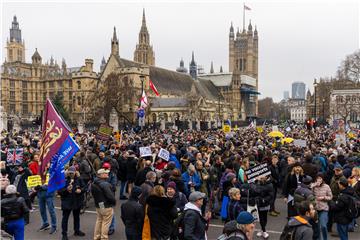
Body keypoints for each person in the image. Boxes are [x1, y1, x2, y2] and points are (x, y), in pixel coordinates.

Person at [57, 166, 86, 240]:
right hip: (67, 201)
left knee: (77, 217)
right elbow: (59, 191)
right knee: (65, 218)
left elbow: (84, 187)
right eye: (70, 173)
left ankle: (77, 230)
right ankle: (64, 234)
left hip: (77, 201)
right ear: (67, 172)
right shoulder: (63, 179)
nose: (71, 174)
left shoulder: (79, 178)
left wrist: (80, 190)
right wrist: (66, 190)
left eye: (72, 173)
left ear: (75, 172)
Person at [91, 168, 116, 240]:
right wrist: (114, 202)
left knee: (99, 220)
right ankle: (104, 238)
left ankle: (97, 236)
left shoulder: (94, 182)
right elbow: (110, 196)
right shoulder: (105, 184)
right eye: (105, 173)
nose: (107, 174)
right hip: (106, 205)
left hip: (99, 204)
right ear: (101, 175)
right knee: (106, 222)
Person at [312, 173, 332, 240]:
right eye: (317, 178)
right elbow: (309, 194)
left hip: (324, 208)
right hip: (315, 208)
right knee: (317, 227)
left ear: (322, 179)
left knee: (323, 226)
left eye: (320, 178)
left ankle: (325, 238)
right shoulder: (313, 186)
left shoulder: (326, 186)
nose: (319, 180)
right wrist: (314, 185)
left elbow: (330, 197)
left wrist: (324, 197)